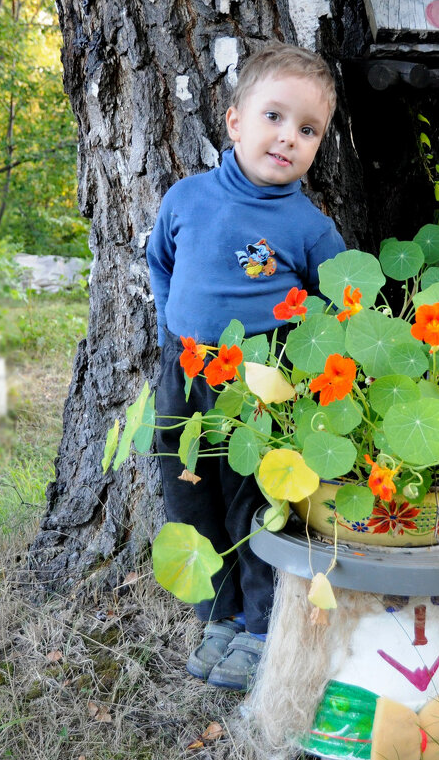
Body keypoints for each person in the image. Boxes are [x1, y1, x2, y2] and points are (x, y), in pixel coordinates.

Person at [146, 42, 346, 690]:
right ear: (235, 122)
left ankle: (262, 625)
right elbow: (162, 263)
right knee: (189, 494)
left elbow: (342, 305)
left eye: (308, 129)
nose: (288, 137)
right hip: (183, 371)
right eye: (274, 117)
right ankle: (219, 614)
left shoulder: (309, 227)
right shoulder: (185, 198)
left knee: (258, 504)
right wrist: (170, 333)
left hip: (259, 386)